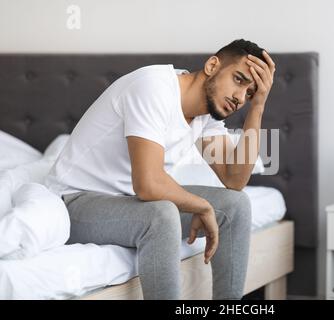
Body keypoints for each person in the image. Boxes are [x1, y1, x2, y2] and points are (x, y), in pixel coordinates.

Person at [44, 39, 276, 299]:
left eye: (249, 93)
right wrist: (202, 205)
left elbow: (234, 181)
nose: (239, 97)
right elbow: (148, 184)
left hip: (127, 204)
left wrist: (258, 106)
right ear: (212, 65)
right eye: (239, 80)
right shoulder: (153, 87)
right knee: (161, 214)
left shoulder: (205, 115)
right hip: (74, 203)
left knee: (236, 205)